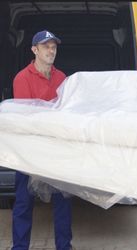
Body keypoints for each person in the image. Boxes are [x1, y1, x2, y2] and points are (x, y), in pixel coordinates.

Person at [12, 30, 72, 250]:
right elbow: (27, 118)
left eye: (53, 46)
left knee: (63, 202)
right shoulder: (22, 78)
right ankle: (19, 247)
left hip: (56, 150)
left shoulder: (62, 77)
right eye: (46, 46)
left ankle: (64, 246)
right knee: (23, 203)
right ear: (34, 50)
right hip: (28, 151)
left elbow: (65, 112)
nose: (51, 50)